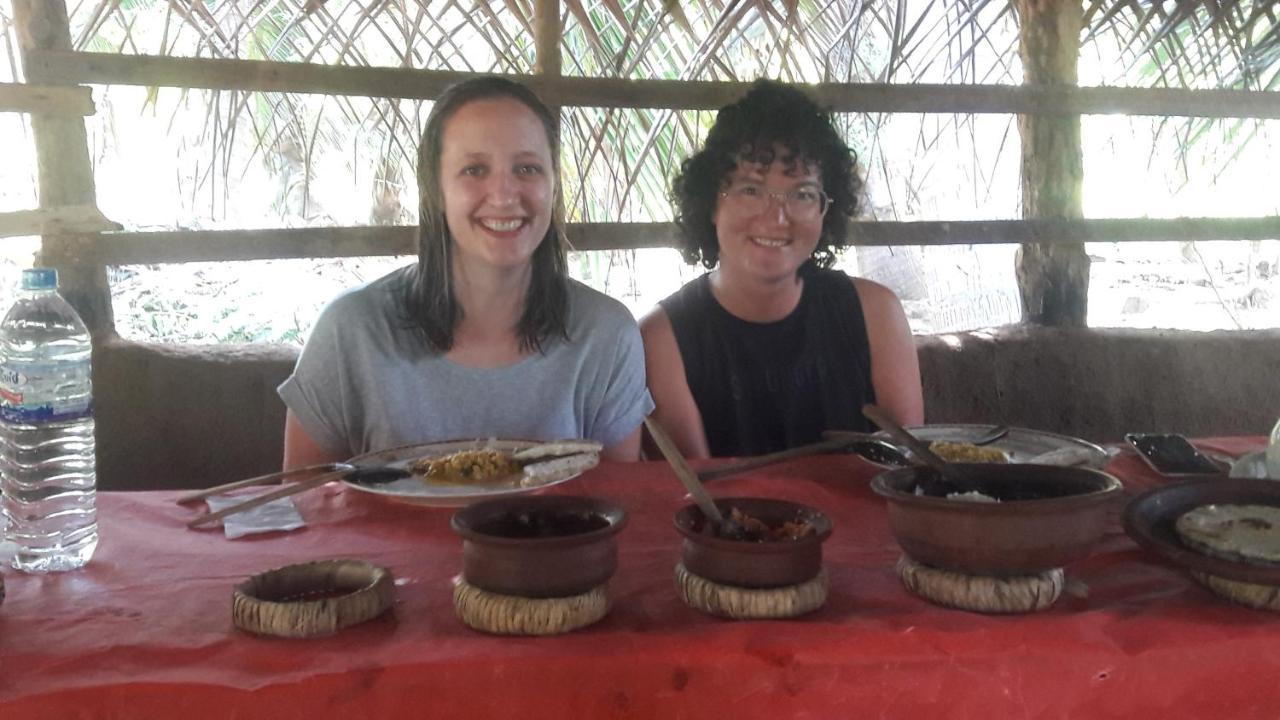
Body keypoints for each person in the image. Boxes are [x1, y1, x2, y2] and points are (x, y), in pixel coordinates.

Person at [279, 77, 652, 468]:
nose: (505, 195)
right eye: (474, 170)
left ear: (554, 186)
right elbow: (306, 506)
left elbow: (619, 506)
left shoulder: (606, 335)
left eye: (527, 168)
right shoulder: (351, 332)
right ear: (436, 190)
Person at [641, 79, 923, 459]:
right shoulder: (663, 338)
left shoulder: (875, 312)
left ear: (827, 210)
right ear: (710, 203)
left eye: (802, 194)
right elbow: (699, 495)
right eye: (751, 190)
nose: (777, 217)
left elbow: (907, 469)